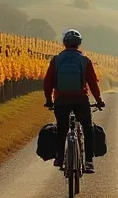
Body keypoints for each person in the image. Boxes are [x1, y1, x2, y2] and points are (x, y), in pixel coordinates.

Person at [44, 29, 105, 173]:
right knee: (87, 127)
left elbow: (48, 82)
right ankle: (89, 161)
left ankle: (59, 157)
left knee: (62, 128)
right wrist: (99, 100)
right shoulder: (85, 61)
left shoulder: (56, 60)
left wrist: (48, 99)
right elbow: (92, 83)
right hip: (80, 99)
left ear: (64, 44)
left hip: (61, 100)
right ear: (79, 44)